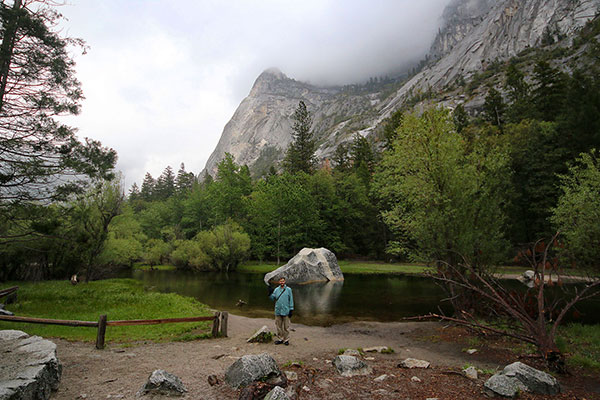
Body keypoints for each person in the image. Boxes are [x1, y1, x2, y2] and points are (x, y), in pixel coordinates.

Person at [268, 277, 294, 345]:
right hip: (278, 310)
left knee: (286, 327)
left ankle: (286, 340)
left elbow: (291, 299)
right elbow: (272, 299)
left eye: (283, 281)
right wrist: (270, 293)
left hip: (286, 310)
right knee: (278, 326)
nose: (282, 282)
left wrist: (291, 309)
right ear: (279, 282)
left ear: (284, 281)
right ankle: (280, 339)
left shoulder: (288, 290)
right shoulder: (276, 290)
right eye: (280, 281)